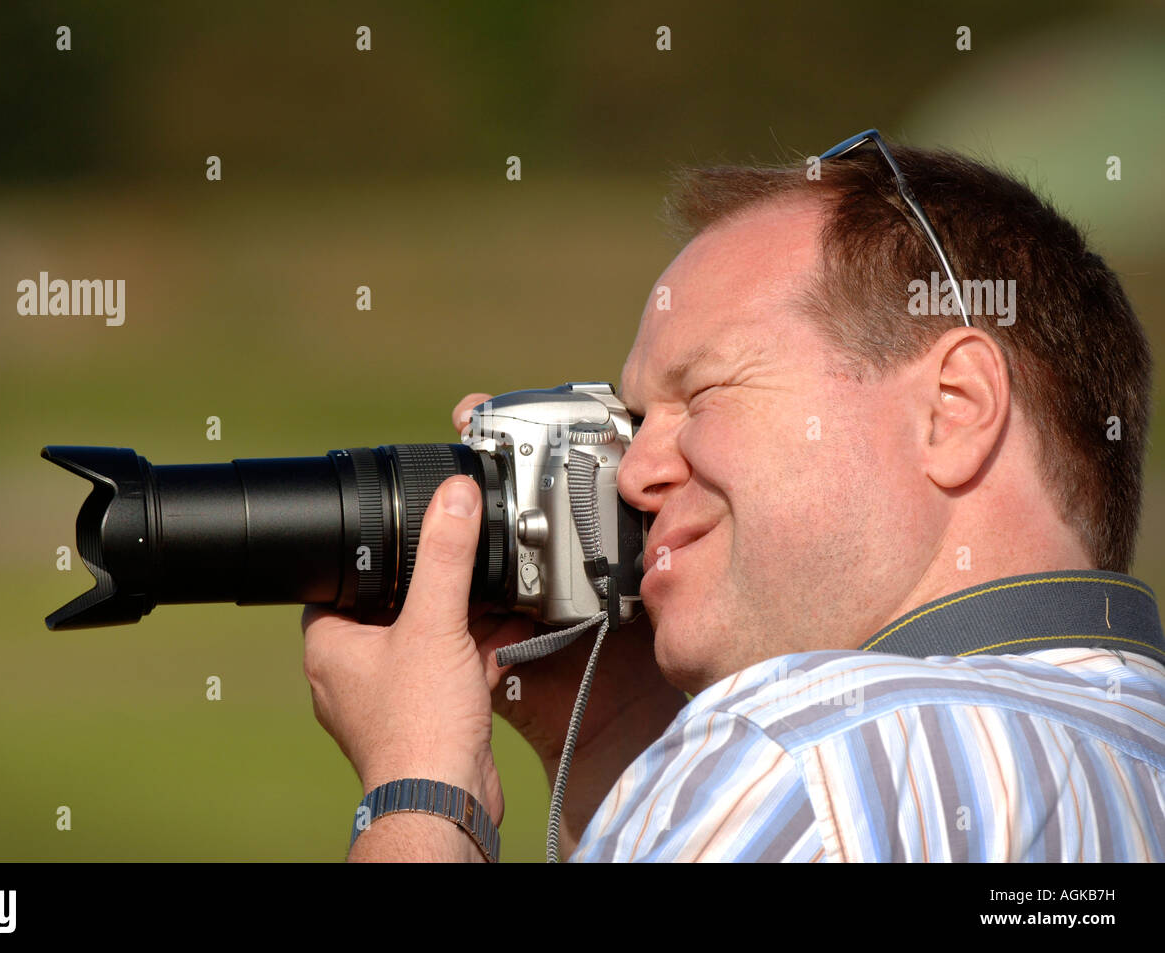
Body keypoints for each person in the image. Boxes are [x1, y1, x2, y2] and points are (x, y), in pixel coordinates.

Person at [301, 132, 1165, 862]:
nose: (636, 473)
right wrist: (611, 736)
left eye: (700, 396)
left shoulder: (804, 763)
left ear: (954, 409)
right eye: (636, 421)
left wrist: (417, 796)